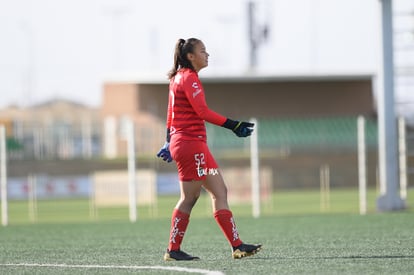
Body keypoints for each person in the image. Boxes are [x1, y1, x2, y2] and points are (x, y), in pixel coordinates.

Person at [157, 38, 262, 261]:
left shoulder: (178, 78)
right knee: (189, 198)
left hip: (189, 145)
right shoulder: (189, 78)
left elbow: (170, 114)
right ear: (190, 56)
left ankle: (237, 246)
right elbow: (203, 111)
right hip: (190, 145)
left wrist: (169, 140)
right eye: (203, 51)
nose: (207, 54)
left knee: (220, 192)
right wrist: (233, 125)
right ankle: (173, 249)